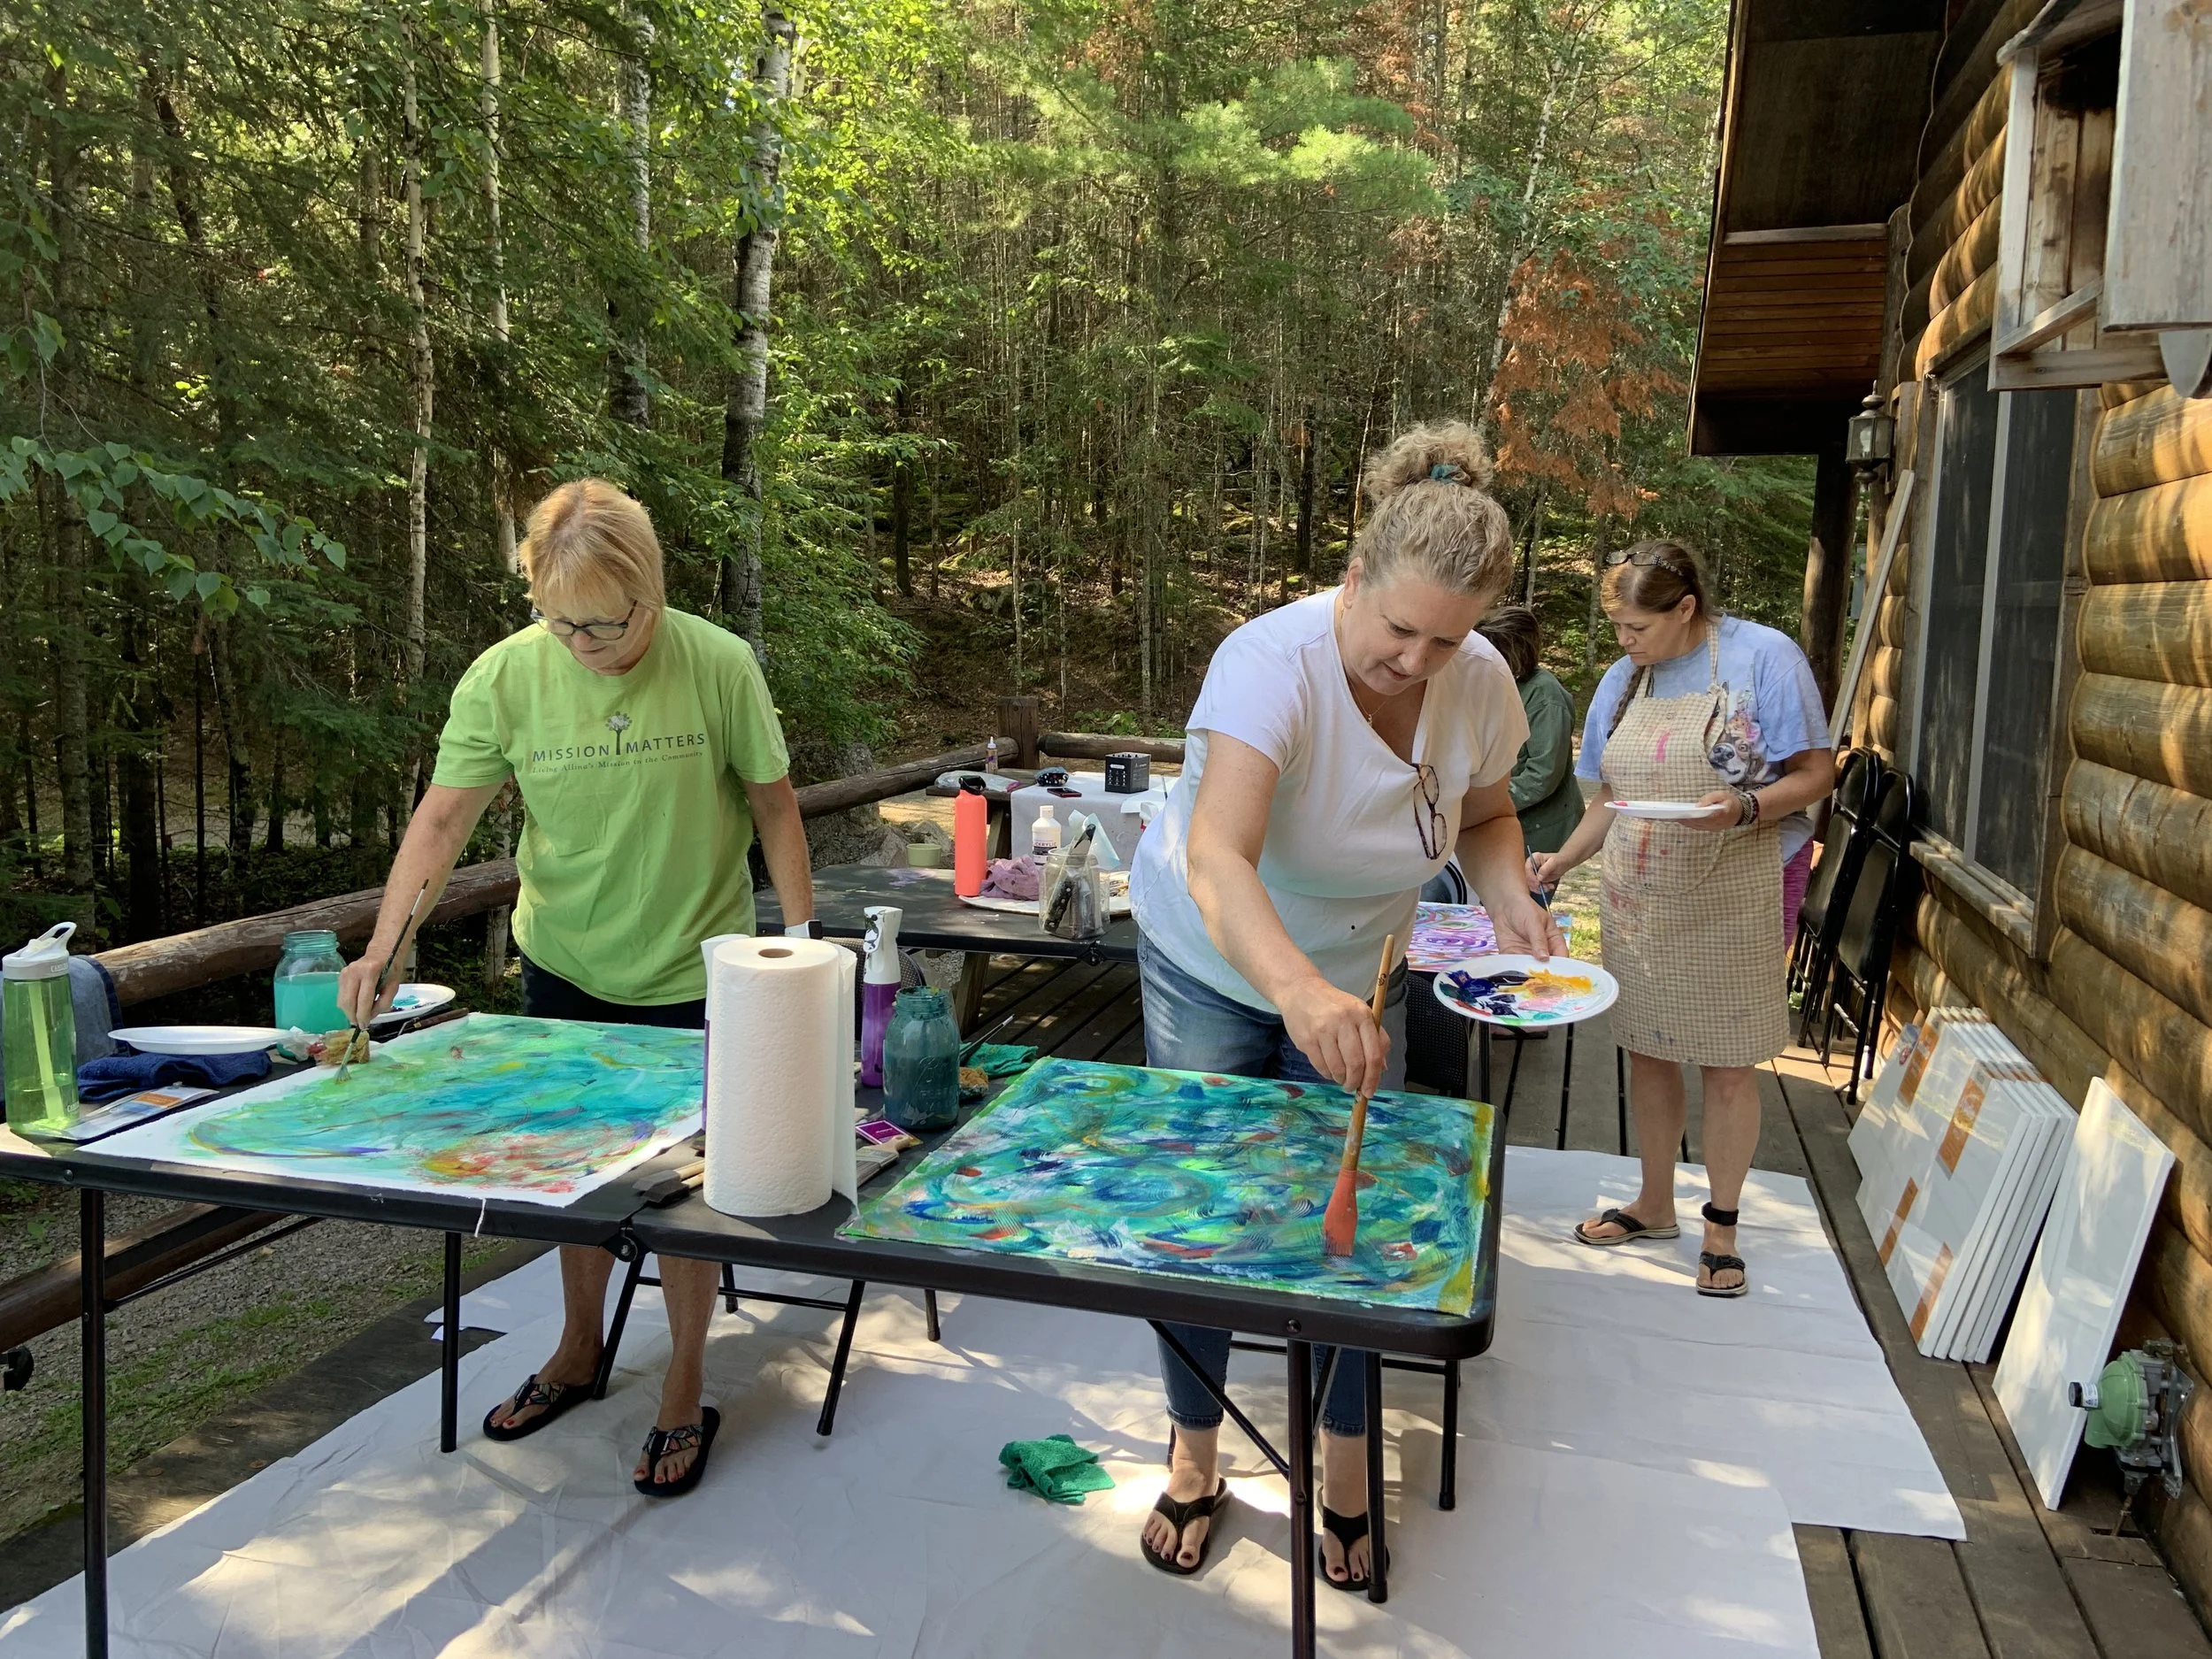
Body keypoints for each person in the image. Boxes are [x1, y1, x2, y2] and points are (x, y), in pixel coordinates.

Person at [1127, 421, 1563, 1588]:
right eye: (1398, 628)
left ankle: (1348, 1461)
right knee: (1208, 1208)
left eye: (1448, 637)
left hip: (1359, 969)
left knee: (1352, 1215)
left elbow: (1483, 817)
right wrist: (1298, 989)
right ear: (1355, 576)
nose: (1417, 659)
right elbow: (1218, 856)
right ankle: (1198, 1448)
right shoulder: (1270, 662)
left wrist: (1509, 894)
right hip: (1219, 959)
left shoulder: (1479, 680)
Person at [337, 479, 817, 1497]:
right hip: (565, 960)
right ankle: (576, 1349)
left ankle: (685, 1378)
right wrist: (384, 946)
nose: (587, 645)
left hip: (702, 970)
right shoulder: (507, 677)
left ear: (653, 590)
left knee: (693, 1202)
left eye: (609, 621)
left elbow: (775, 809)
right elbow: (440, 821)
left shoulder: (719, 665)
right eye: (562, 624)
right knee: (572, 1182)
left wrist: (803, 951)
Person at [1530, 539, 1832, 1299]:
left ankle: (1722, 1228)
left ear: (1686, 607)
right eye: (1621, 629)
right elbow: (1608, 798)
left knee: (1730, 1061)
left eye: (1637, 628)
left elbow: (1817, 772)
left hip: (1741, 882)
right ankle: (1654, 1201)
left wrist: (1747, 806)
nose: (1625, 642)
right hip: (1641, 891)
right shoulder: (1625, 681)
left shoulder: (1765, 658)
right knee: (1648, 1048)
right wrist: (1561, 862)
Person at [1476, 603, 1580, 855]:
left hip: (1539, 829)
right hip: (1501, 819)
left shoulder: (1544, 696)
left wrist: (1483, 802)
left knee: (1520, 892)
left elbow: (1542, 775)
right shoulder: (1500, 686)